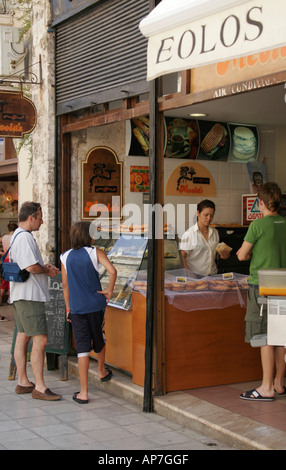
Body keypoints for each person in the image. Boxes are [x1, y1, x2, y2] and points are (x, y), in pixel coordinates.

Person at [237, 182, 286, 401]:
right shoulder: (284, 223)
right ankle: (279, 384)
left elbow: (240, 255)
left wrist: (249, 254)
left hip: (262, 286)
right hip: (284, 286)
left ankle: (266, 387)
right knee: (281, 336)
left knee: (264, 336)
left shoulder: (257, 225)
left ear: (261, 202)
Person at [60, 221, 117, 404]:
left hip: (76, 309)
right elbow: (113, 271)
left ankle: (83, 392)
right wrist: (109, 290)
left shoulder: (64, 257)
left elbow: (65, 287)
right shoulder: (95, 253)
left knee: (82, 348)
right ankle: (101, 371)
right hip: (96, 306)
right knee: (100, 337)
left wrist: (68, 309)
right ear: (87, 236)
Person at [10, 202, 62, 401]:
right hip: (29, 295)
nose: (42, 221)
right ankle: (39, 387)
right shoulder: (24, 237)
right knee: (41, 339)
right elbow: (30, 267)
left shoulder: (18, 235)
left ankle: (23, 381)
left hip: (21, 295)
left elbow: (29, 265)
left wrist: (42, 266)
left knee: (23, 336)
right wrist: (46, 270)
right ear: (31, 217)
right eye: (40, 217)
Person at [180, 199, 230, 277]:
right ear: (198, 213)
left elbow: (214, 255)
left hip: (213, 275)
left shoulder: (215, 232)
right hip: (195, 276)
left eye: (211, 215)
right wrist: (189, 273)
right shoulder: (189, 234)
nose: (209, 218)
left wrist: (222, 255)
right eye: (206, 215)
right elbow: (182, 257)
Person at [0, 221, 18, 319]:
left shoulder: (4, 237)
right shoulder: (15, 237)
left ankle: (2, 300)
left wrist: (2, 253)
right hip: (11, 261)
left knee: (3, 286)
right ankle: (11, 299)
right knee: (12, 281)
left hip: (5, 261)